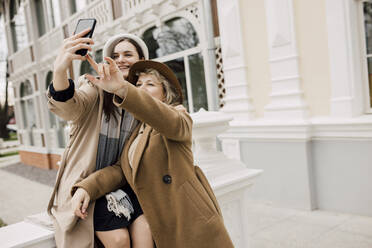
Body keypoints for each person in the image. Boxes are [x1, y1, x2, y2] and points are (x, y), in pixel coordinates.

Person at [72, 58, 235, 248]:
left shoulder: (177, 116)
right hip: (159, 221)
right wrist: (87, 188)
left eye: (150, 84)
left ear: (165, 94)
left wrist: (123, 89)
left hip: (188, 220)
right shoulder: (138, 130)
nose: (141, 88)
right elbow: (122, 170)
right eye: (138, 84)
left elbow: (168, 120)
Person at [47, 28, 154, 248]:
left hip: (125, 182)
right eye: (115, 56)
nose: (121, 60)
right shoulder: (95, 88)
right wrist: (59, 70)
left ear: (142, 61)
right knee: (119, 240)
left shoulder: (144, 100)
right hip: (84, 187)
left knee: (147, 230)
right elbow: (68, 108)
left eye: (128, 54)